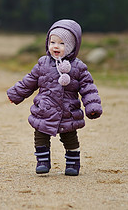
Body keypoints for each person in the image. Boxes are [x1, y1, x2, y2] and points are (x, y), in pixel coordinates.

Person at [7, 19, 102, 176]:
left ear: (72, 47)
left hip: (68, 111)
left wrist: (92, 107)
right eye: (52, 42)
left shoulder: (78, 67)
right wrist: (15, 94)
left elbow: (88, 88)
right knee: (40, 135)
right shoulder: (43, 64)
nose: (55, 46)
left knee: (70, 138)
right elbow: (29, 81)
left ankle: (73, 164)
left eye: (62, 43)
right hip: (44, 110)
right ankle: (43, 161)